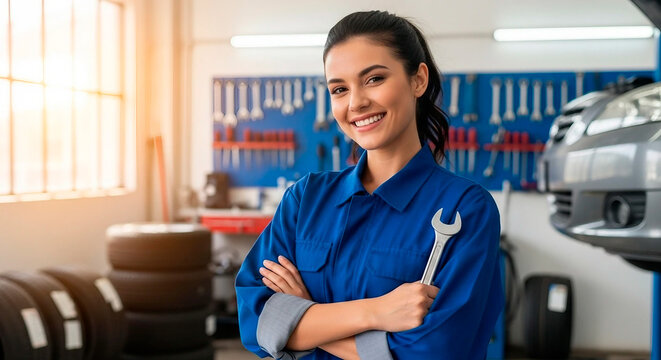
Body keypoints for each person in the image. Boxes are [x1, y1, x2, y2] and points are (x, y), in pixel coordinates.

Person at [235, 10, 503, 360]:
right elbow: (255, 321)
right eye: (339, 89)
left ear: (418, 80)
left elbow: (433, 351)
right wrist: (375, 312)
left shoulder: (466, 209)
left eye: (374, 79)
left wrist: (303, 318)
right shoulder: (306, 199)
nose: (356, 102)